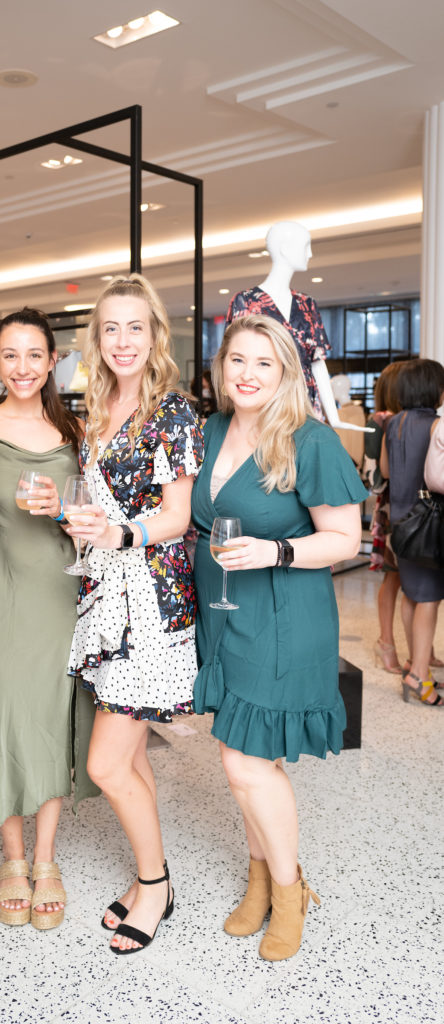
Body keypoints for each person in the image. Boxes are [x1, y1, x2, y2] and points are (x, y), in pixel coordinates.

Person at [191, 313, 366, 962]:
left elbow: (345, 540)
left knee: (244, 760)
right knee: (246, 754)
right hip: (224, 606)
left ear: (286, 371)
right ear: (221, 366)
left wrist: (275, 552)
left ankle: (289, 890)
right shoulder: (211, 430)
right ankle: (260, 878)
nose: (248, 374)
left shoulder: (309, 440)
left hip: (284, 610)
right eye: (237, 360)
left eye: (264, 363)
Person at [61, 274, 203, 955]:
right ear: (97, 339)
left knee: (107, 766)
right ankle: (158, 882)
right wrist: (77, 523)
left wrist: (121, 535)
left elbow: (177, 516)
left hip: (150, 599)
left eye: (135, 328)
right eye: (110, 328)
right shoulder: (96, 408)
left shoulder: (172, 411)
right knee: (132, 755)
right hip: (106, 598)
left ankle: (153, 882)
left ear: (155, 336)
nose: (123, 340)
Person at [0, 308, 98, 931]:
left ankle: (45, 860)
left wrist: (63, 509)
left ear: (53, 359)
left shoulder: (73, 429)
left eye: (34, 355)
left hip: (54, 589)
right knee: (0, 709)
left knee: (47, 714)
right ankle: (12, 857)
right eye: (10, 355)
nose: (22, 368)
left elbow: (88, 519)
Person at [226, 221, 369, 434]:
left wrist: (333, 417)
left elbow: (317, 364)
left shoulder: (307, 304)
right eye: (306, 246)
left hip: (306, 406)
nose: (310, 253)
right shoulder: (246, 301)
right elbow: (234, 360)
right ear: (284, 249)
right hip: (265, 407)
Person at [381, 357, 444, 706]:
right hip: (429, 521)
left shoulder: (395, 424)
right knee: (430, 598)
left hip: (400, 521)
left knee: (412, 594)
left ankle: (414, 663)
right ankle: (419, 675)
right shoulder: (436, 426)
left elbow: (387, 472)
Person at [365, 362, 404, 673]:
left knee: (407, 578)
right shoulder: (378, 422)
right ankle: (386, 642)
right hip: (391, 506)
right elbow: (375, 476)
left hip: (403, 505)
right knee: (394, 576)